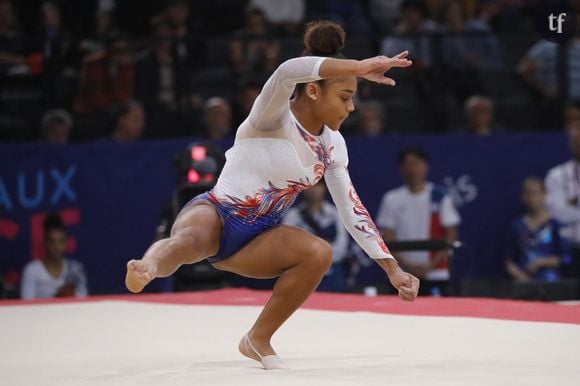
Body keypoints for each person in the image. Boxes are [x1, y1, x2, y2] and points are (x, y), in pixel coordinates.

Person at [125, 20, 419, 370]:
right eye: (345, 96)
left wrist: (391, 268)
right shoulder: (270, 117)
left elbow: (351, 208)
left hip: (259, 241)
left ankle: (257, 339)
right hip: (217, 213)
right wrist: (359, 66)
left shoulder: (332, 145)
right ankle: (147, 267)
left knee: (318, 252)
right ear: (313, 91)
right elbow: (285, 72)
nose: (351, 108)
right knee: (189, 239)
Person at [376, 148, 460, 295]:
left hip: (436, 272)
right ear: (401, 169)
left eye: (416, 164)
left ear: (425, 166)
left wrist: (430, 266)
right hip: (402, 274)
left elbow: (451, 235)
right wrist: (407, 266)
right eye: (407, 165)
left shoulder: (440, 197)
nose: (412, 169)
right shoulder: (392, 199)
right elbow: (387, 237)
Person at [282, 180, 350, 292]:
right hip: (302, 274)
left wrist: (313, 252)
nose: (313, 190)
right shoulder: (293, 216)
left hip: (331, 274)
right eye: (309, 186)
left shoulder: (335, 214)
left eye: (318, 186)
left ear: (325, 188)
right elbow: (286, 247)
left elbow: (341, 249)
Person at [505, 177, 564, 283]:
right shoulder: (516, 226)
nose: (531, 198)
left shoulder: (554, 225)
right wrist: (520, 276)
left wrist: (541, 262)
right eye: (527, 194)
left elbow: (565, 258)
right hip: (523, 282)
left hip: (551, 284)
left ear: (544, 195)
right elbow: (507, 260)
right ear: (522, 196)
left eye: (535, 193)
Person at [20, 213, 88, 299]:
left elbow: (84, 298)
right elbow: (26, 304)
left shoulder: (75, 268)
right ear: (45, 243)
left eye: (61, 241)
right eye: (52, 241)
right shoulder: (31, 270)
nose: (56, 247)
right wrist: (57, 297)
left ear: (66, 243)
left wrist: (71, 295)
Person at [545, 114, 580, 280]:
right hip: (568, 249)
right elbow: (558, 214)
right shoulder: (556, 175)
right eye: (576, 141)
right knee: (567, 301)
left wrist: (574, 202)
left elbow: (566, 210)